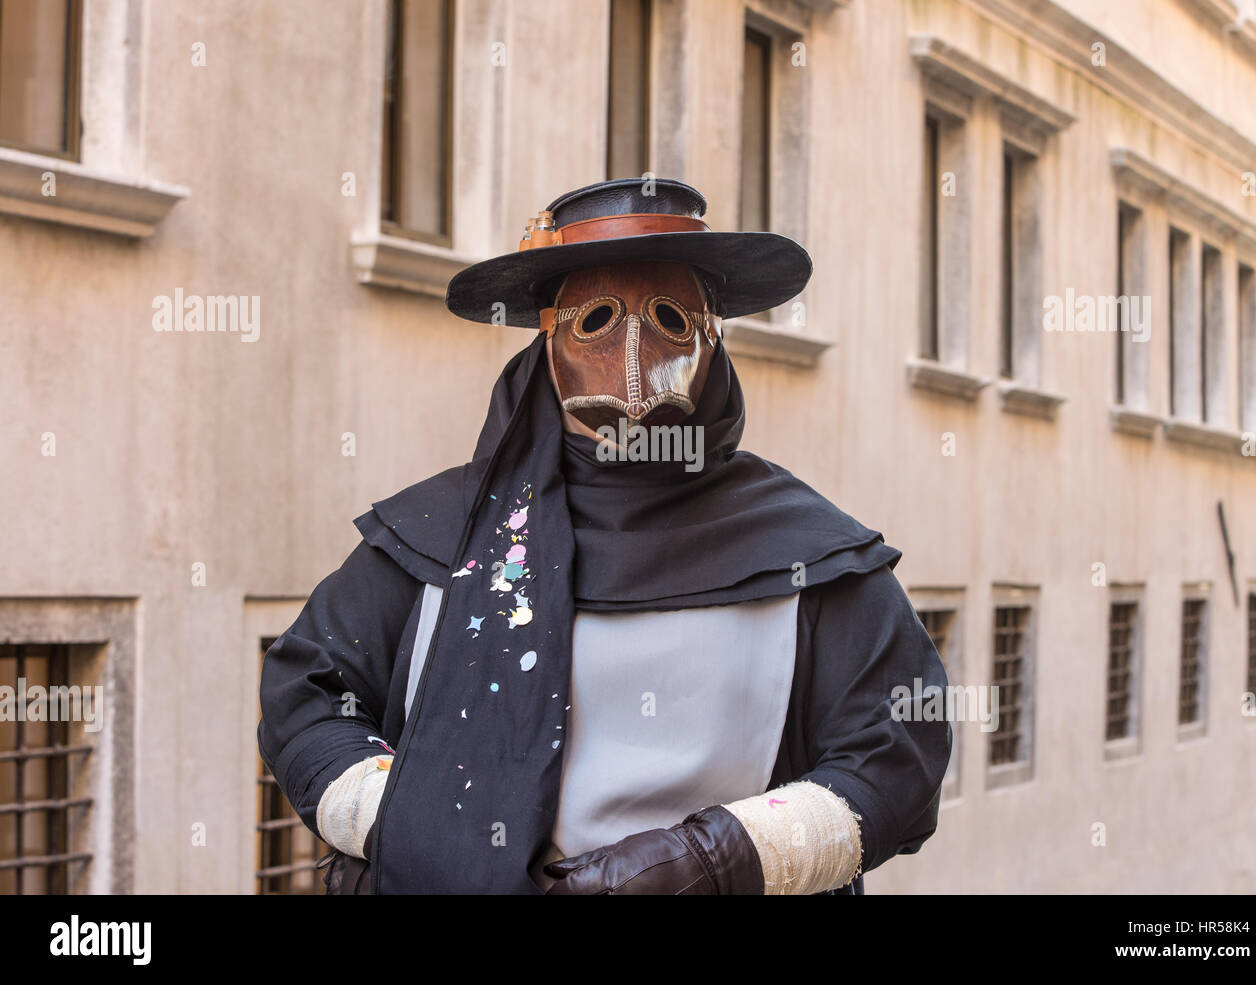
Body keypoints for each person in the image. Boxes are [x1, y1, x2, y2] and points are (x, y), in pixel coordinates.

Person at [257, 178, 951, 894]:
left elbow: (896, 749)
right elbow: (306, 691)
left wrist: (716, 862)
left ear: (712, 337)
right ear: (549, 338)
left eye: (669, 317)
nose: (633, 350)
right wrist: (413, 822)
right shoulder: (435, 534)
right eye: (595, 317)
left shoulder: (813, 555)